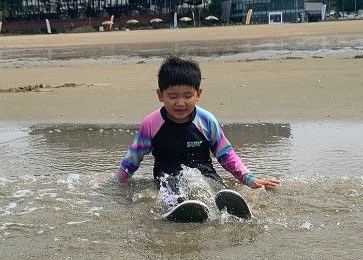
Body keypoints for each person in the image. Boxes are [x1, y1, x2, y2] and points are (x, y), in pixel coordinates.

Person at [114, 56, 279, 208]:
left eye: (187, 96)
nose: (180, 103)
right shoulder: (151, 123)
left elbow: (226, 155)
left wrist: (249, 179)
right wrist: (116, 183)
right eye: (172, 97)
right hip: (167, 177)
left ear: (198, 94)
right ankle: (177, 208)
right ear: (160, 95)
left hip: (204, 174)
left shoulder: (206, 120)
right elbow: (133, 158)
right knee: (171, 193)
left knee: (214, 189)